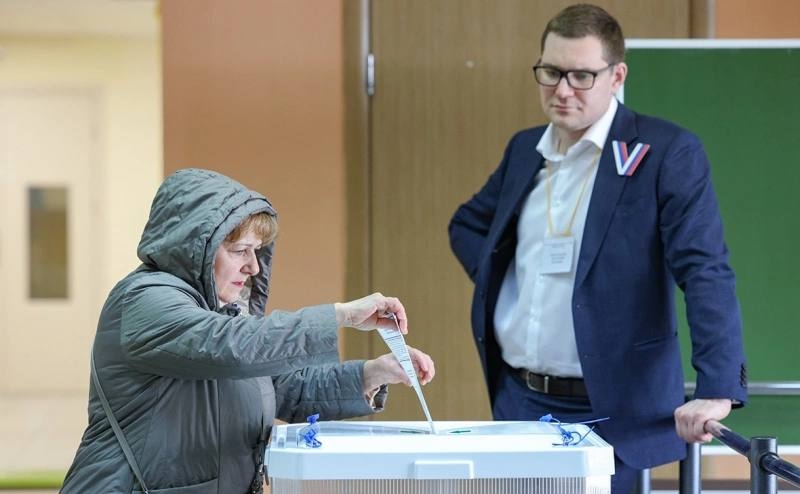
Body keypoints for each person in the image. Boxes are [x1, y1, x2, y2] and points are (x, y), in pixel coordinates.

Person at [448, 4, 746, 493]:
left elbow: (705, 270)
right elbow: (467, 225)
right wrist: (505, 286)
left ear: (616, 76)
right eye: (551, 72)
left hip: (615, 409)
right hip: (520, 399)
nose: (563, 90)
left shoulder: (665, 152)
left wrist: (717, 388)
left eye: (582, 76)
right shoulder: (525, 149)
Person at [61, 168, 435, 494]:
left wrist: (374, 373)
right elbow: (232, 347)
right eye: (240, 250)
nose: (253, 267)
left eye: (257, 250)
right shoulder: (144, 300)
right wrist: (342, 315)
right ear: (197, 249)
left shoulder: (219, 312)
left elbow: (287, 388)